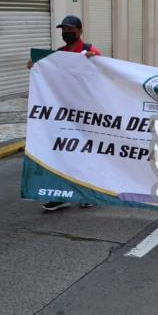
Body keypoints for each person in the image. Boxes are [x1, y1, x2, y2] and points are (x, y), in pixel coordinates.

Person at [26, 15, 102, 212]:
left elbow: (101, 78)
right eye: (63, 30)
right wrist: (36, 66)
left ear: (79, 31)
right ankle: (60, 195)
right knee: (61, 154)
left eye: (70, 30)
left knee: (84, 153)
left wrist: (95, 63)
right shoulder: (59, 54)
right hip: (62, 113)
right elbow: (48, 75)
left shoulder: (90, 52)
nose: (66, 33)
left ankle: (87, 193)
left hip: (84, 113)